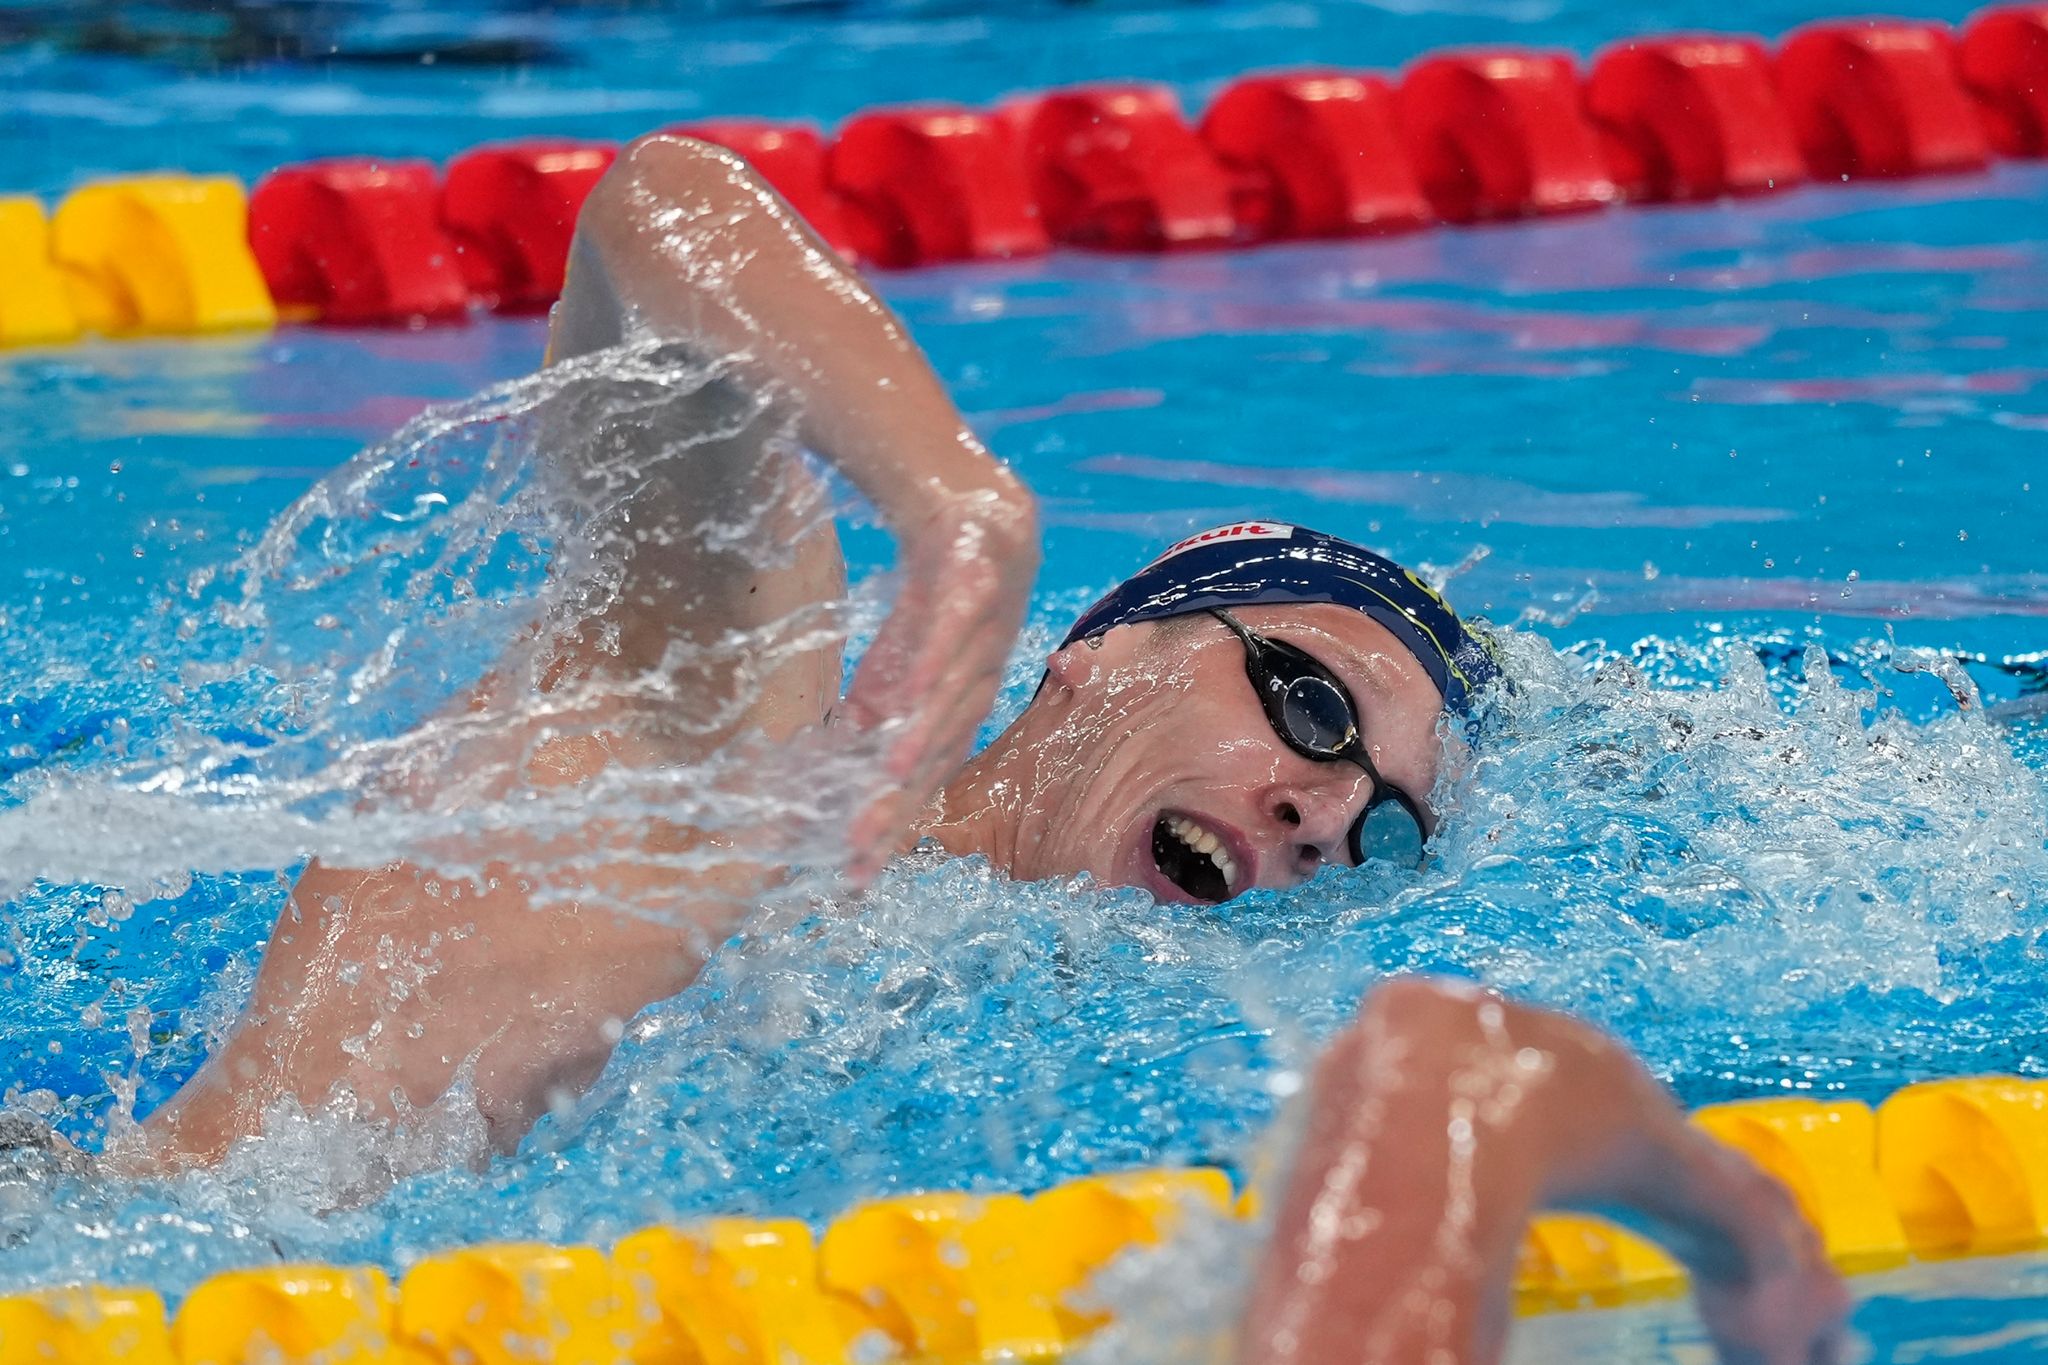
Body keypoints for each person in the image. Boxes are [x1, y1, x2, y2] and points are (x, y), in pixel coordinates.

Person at [93, 135, 1844, 1361]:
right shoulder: (721, 741)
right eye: (1311, 705)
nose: (1326, 811)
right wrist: (955, 503)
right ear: (1096, 657)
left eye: (1380, 832)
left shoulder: (1057, 1080)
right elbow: (659, 213)